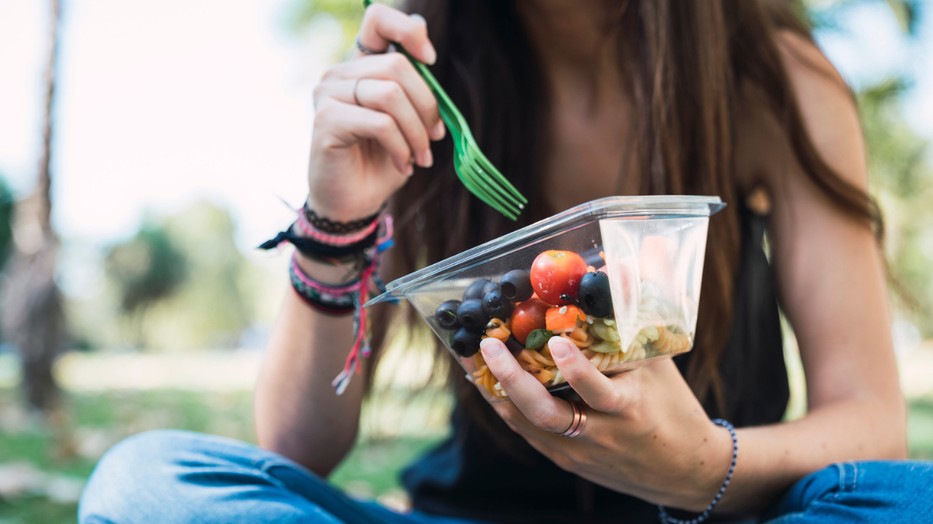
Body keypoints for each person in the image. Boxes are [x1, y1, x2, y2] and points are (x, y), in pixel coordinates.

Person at [79, 1, 933, 523]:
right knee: (145, 487)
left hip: (713, 516)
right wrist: (337, 217)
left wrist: (702, 468)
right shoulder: (415, 86)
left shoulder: (774, 78)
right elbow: (296, 449)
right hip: (472, 517)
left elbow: (870, 425)